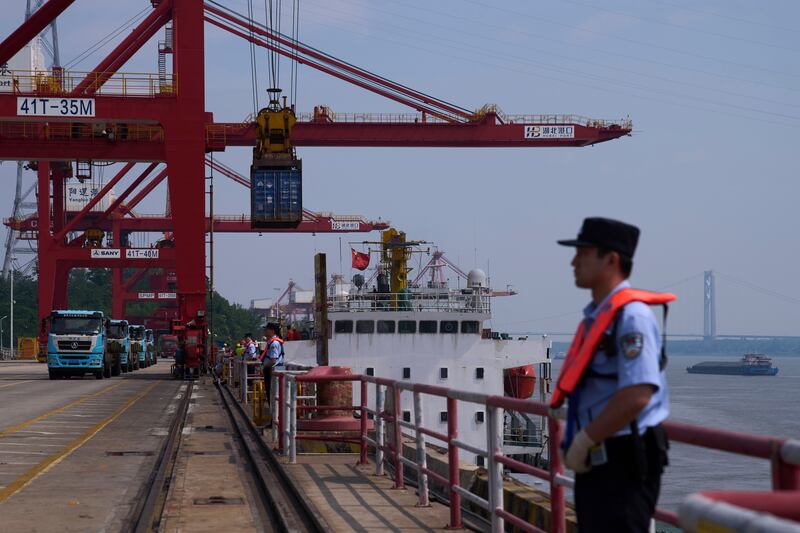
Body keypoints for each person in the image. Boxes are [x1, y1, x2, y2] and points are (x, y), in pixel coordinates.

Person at [552, 217, 675, 533]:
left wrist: (583, 439)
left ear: (611, 259)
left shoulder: (632, 317)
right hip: (600, 455)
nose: (573, 262)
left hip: (625, 458)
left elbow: (637, 394)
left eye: (583, 252)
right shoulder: (598, 316)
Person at [259, 323, 285, 413]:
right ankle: (274, 419)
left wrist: (264, 367)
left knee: (272, 395)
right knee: (272, 395)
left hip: (272, 371)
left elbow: (273, 360)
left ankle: (274, 419)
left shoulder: (274, 343)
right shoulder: (272, 342)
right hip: (273, 371)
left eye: (267, 329)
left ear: (272, 331)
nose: (265, 331)